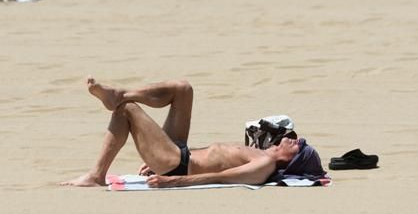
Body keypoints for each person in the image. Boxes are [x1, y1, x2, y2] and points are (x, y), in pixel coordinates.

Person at [62, 78, 324, 188]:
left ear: (293, 160)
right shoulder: (260, 152)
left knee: (127, 111)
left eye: (300, 146)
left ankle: (96, 176)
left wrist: (171, 181)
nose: (296, 139)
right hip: (180, 153)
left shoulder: (264, 165)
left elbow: (220, 178)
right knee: (183, 89)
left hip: (177, 165)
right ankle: (120, 93)